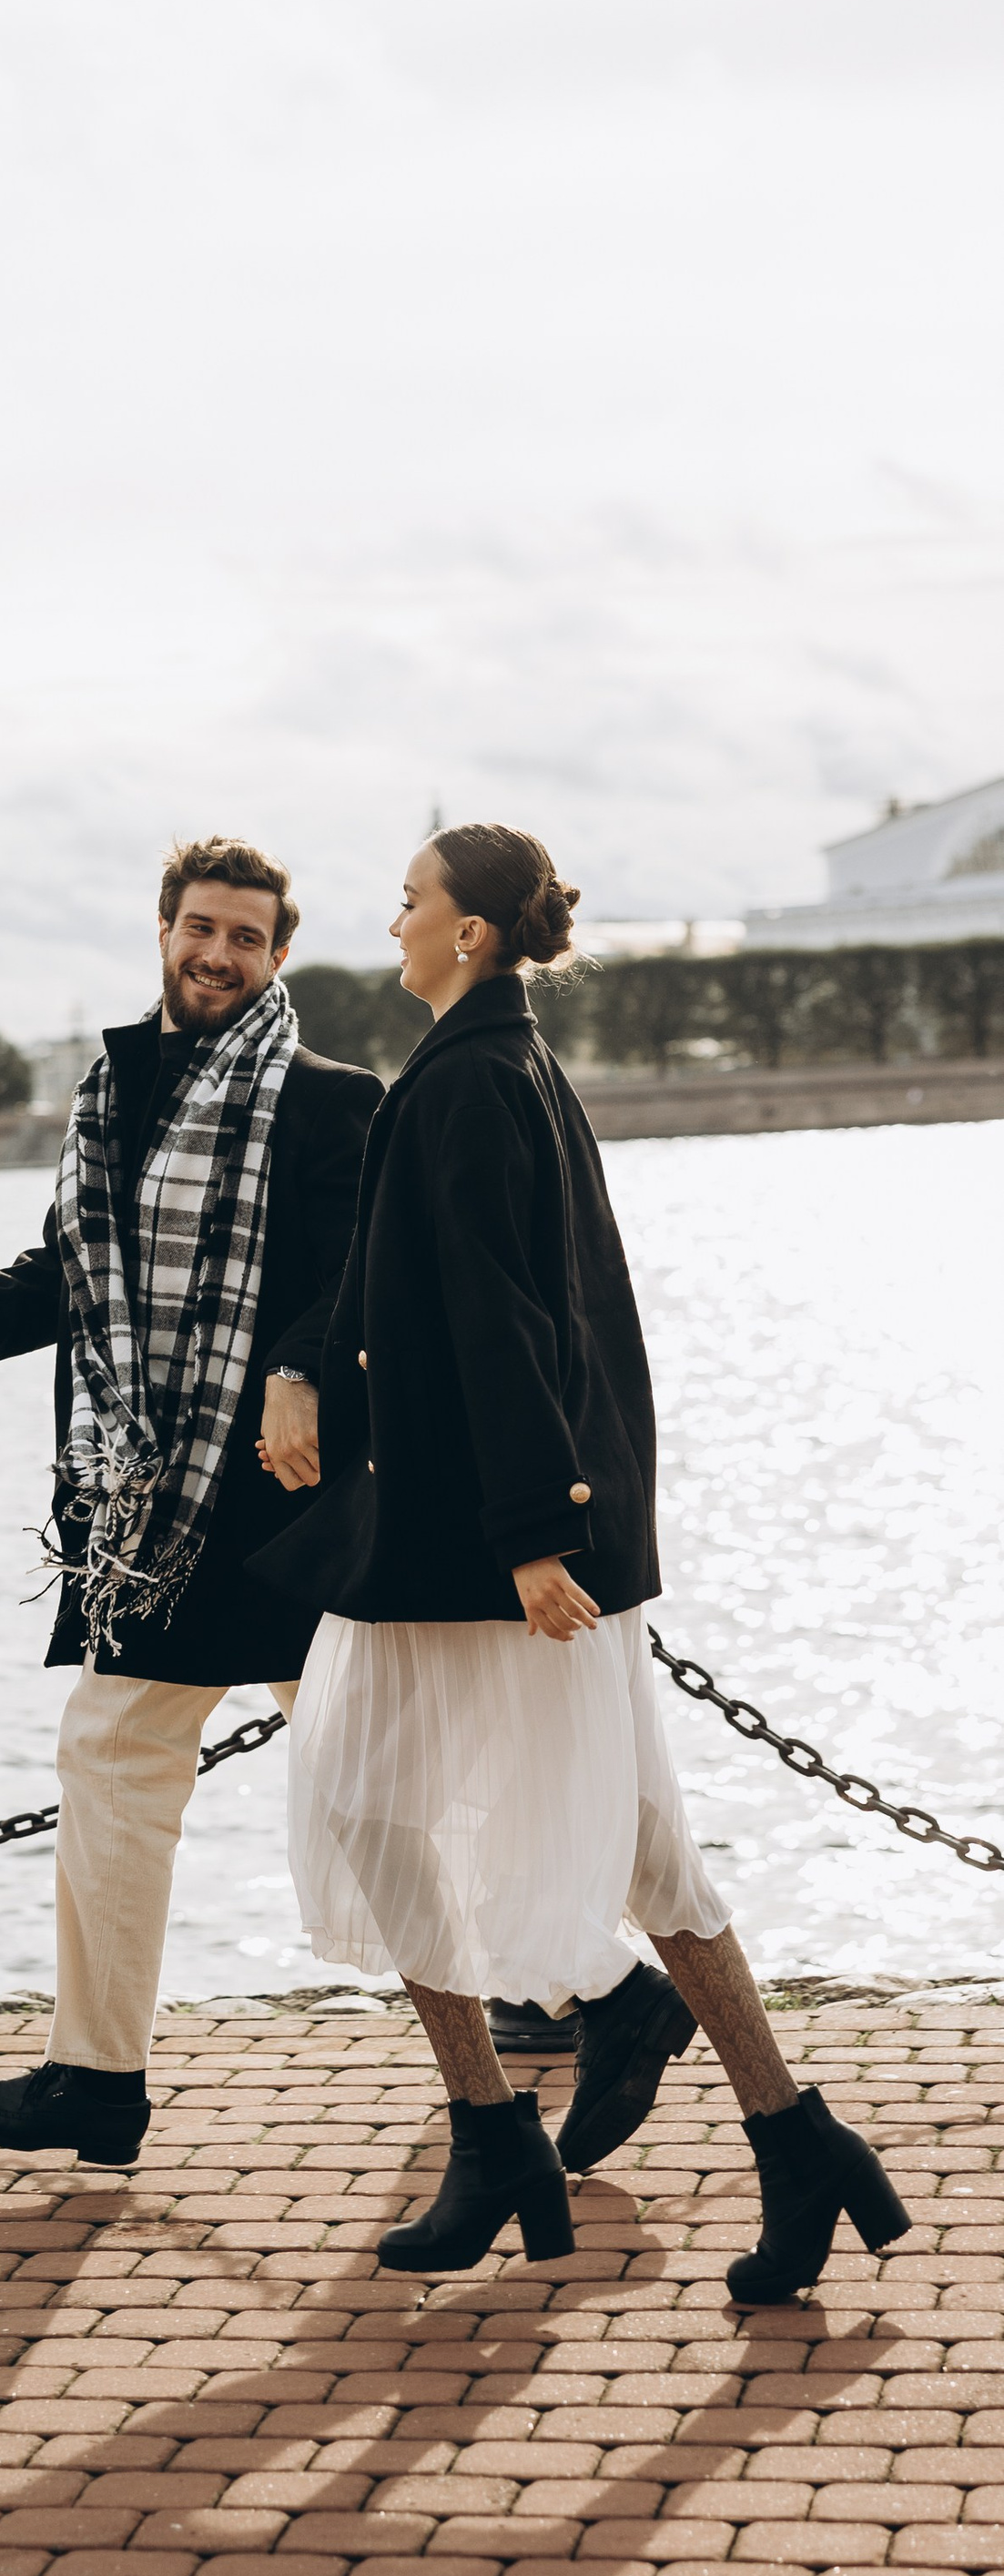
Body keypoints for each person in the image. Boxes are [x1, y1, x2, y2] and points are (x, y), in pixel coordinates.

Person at [258, 821, 910, 2302]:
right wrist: (305, 1371)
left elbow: (512, 1318)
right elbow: (391, 1283)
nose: (395, 918)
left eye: (413, 900)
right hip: (510, 1532)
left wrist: (537, 1540)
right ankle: (796, 2141)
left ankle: (493, 2131)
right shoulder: (487, 1066)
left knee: (361, 1792)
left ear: (471, 931)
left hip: (483, 1547)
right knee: (640, 1842)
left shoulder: (475, 1083)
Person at [0, 837, 382, 2169]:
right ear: (163, 930)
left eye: (247, 938)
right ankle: (96, 2079)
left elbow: (363, 1277)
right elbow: (71, 1277)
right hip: (154, 1512)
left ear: (280, 955)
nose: (219, 955)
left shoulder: (331, 1100)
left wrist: (296, 1370)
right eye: (200, 928)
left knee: (375, 1774)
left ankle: (593, 1992)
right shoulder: (113, 1091)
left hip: (276, 1502)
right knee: (130, 1758)